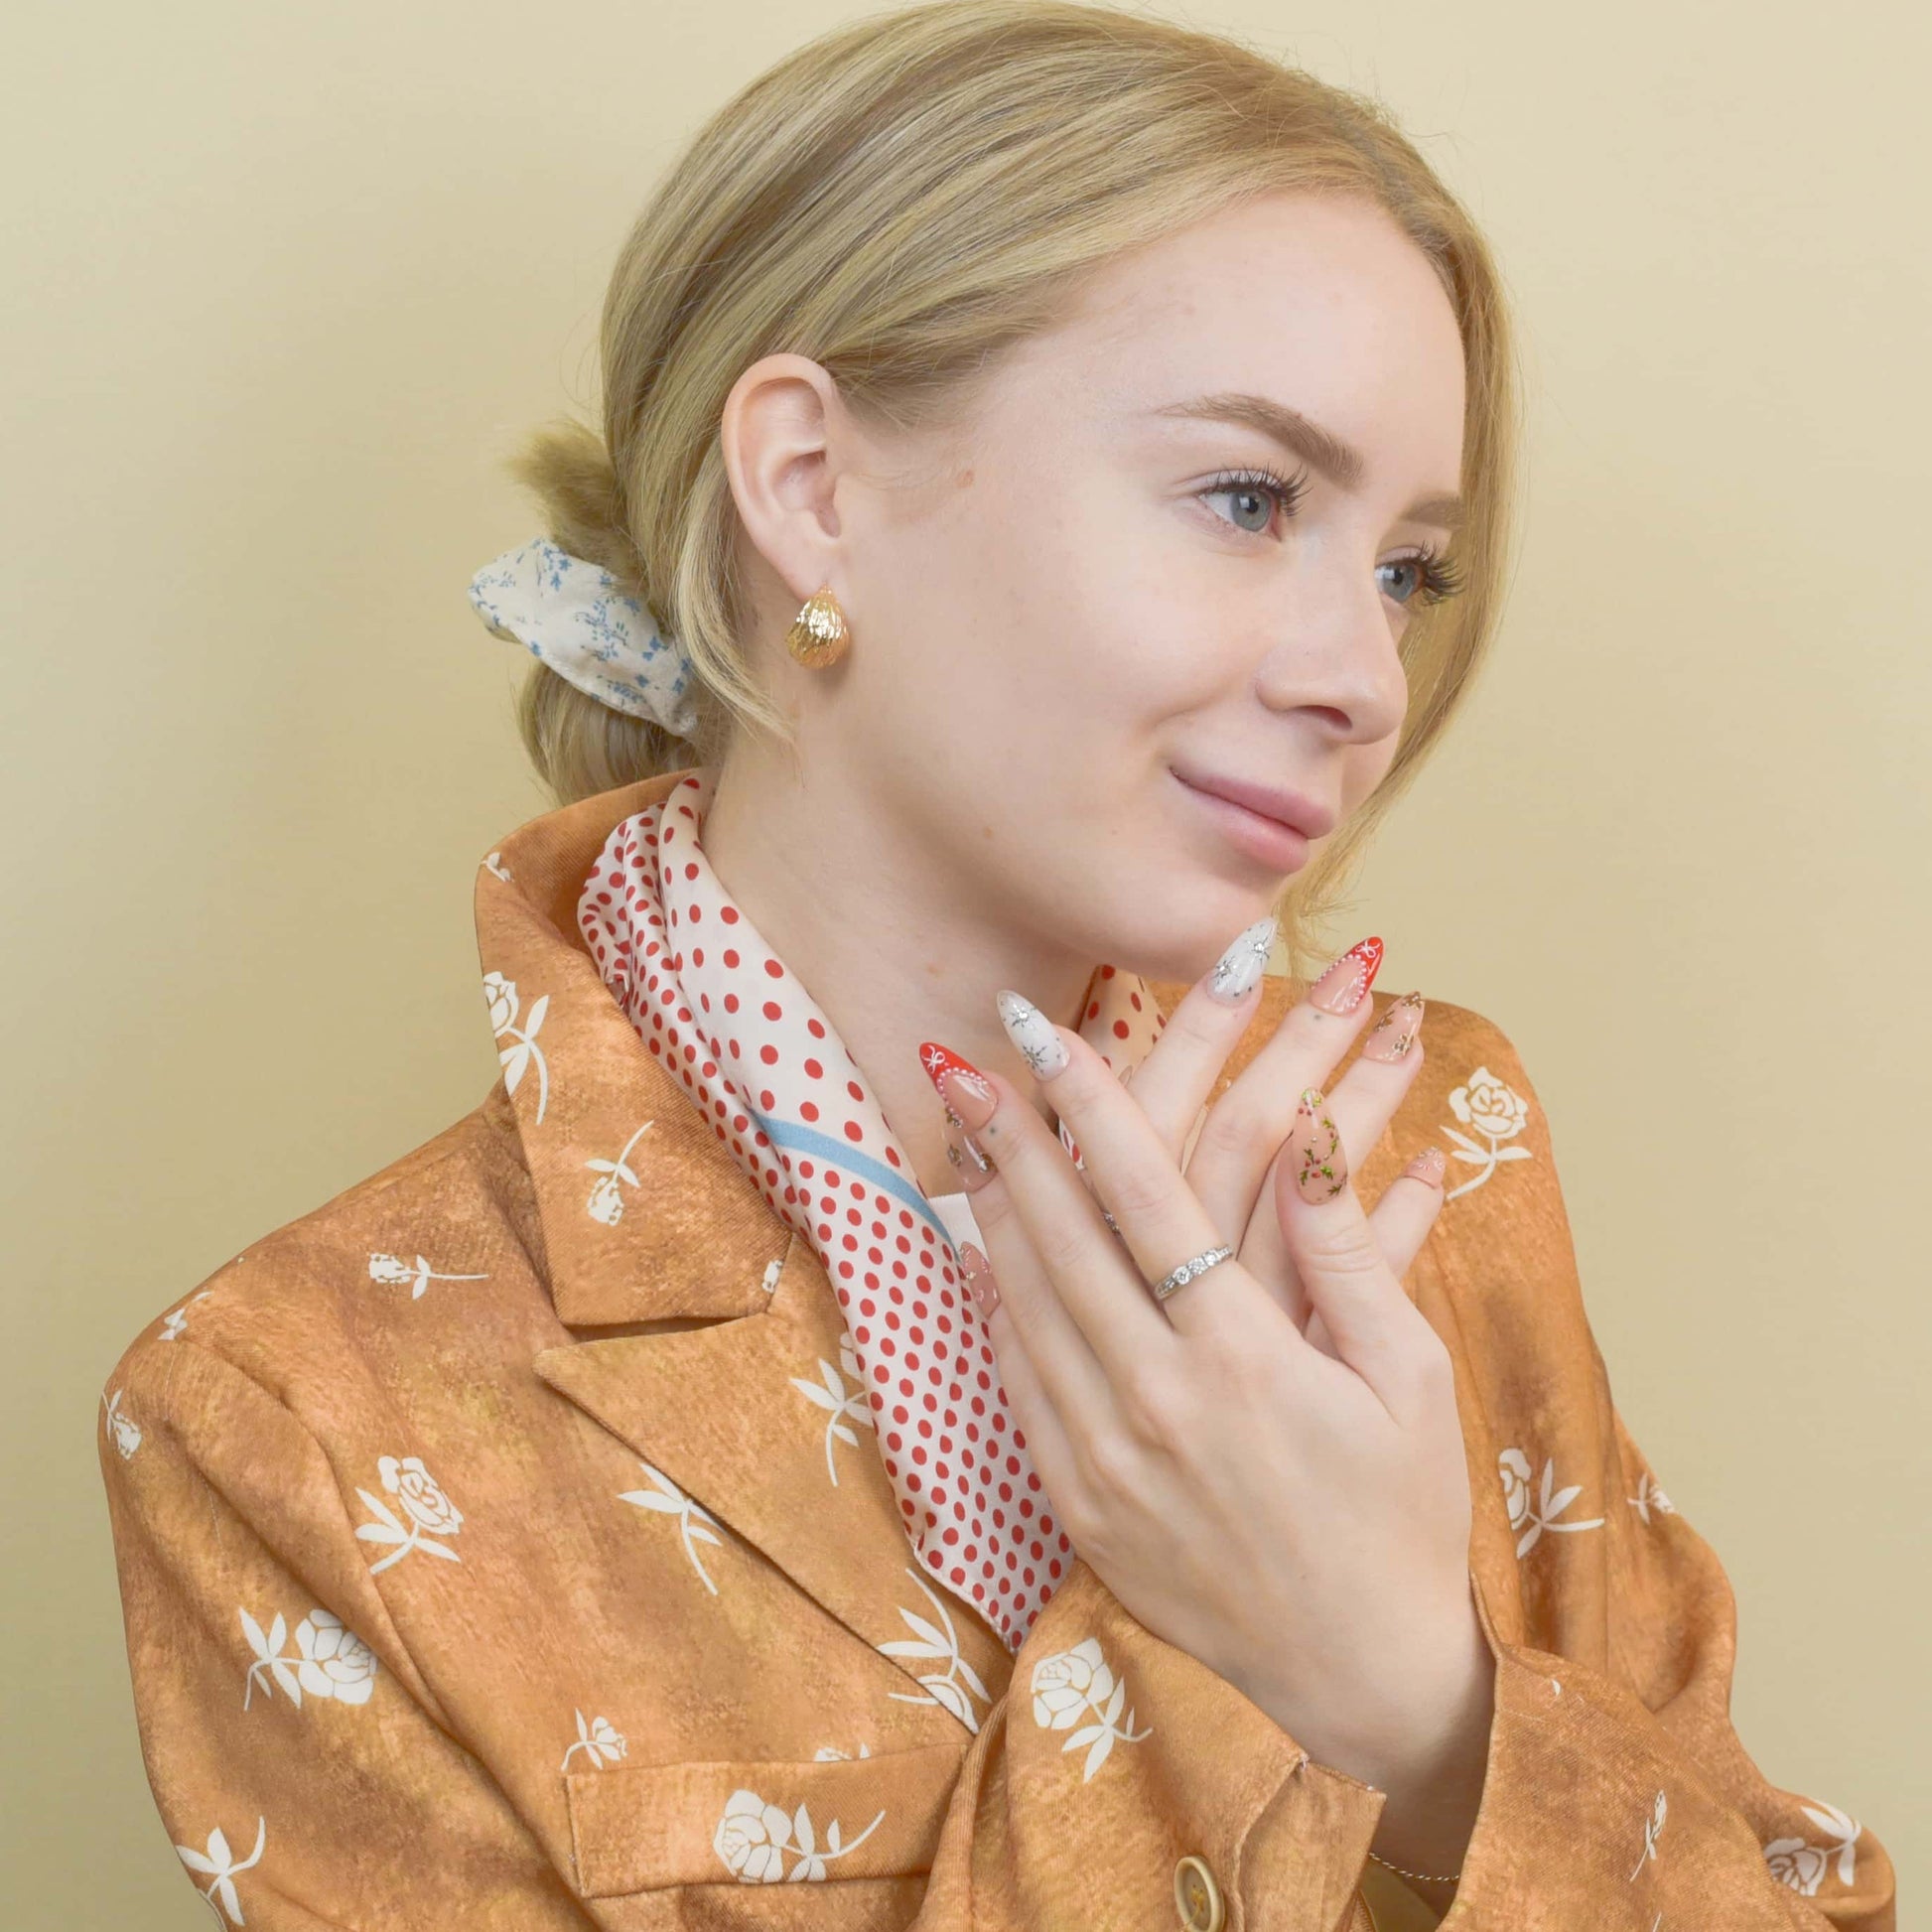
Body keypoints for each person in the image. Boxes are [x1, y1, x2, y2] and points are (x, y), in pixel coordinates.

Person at [95, 3, 1894, 1927]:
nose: (1363, 678)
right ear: (809, 484)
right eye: (1246, 498)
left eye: (1406, 569)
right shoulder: (299, 1415)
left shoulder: (1420, 1152)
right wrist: (1217, 1641)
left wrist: (1425, 1716)